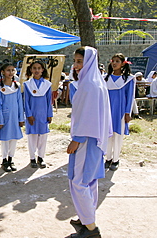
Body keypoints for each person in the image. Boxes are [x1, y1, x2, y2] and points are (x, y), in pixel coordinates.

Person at [67, 46, 112, 238]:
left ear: (89, 62)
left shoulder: (89, 85)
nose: (76, 65)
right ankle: (86, 217)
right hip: (94, 140)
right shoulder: (96, 82)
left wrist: (76, 140)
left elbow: (88, 116)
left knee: (79, 182)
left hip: (86, 140)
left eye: (80, 61)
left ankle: (91, 228)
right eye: (75, 61)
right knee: (90, 180)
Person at [104, 53, 135, 171]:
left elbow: (130, 97)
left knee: (118, 135)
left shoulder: (128, 79)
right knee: (108, 135)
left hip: (120, 111)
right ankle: (108, 158)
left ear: (123, 64)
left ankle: (116, 159)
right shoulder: (106, 79)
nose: (114, 63)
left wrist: (128, 113)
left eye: (117, 61)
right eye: (113, 61)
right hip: (108, 111)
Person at [24, 60, 53, 168]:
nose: (36, 70)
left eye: (39, 68)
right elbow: (26, 101)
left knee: (43, 137)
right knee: (32, 137)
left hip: (43, 114)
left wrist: (49, 114)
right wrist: (29, 115)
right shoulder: (27, 85)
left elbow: (49, 100)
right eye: (34, 68)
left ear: (42, 70)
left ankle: (41, 157)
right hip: (32, 115)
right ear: (31, 70)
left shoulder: (47, 84)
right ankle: (32, 158)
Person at [0, 63, 24, 172]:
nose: (11, 72)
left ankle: (11, 158)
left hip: (14, 116)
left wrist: (21, 118)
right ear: (3, 72)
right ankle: (4, 160)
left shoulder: (16, 86)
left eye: (13, 70)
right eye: (8, 70)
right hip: (5, 116)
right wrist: (1, 119)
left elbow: (20, 103)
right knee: (5, 139)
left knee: (14, 139)